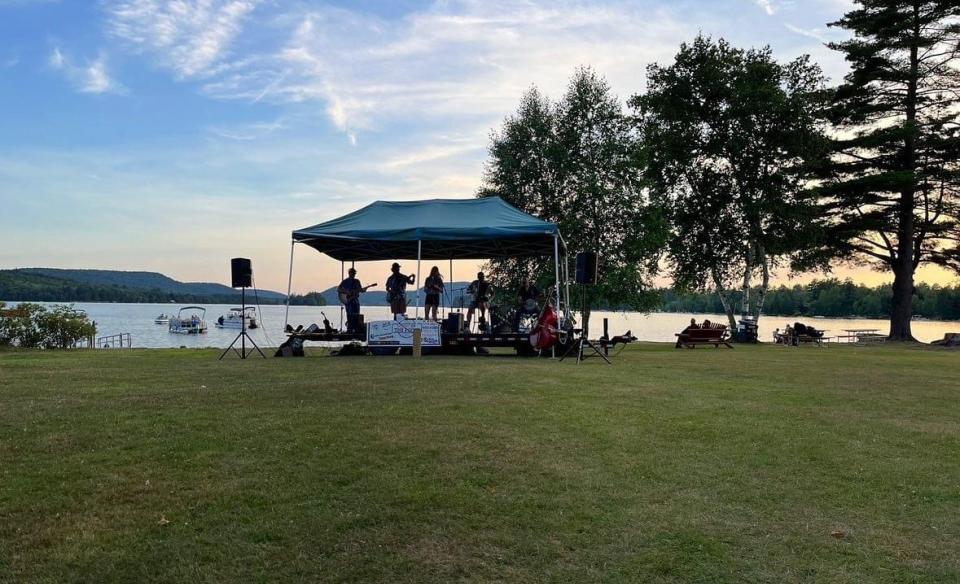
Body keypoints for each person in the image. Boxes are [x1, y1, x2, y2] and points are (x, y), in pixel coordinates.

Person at [337, 267, 363, 333]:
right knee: (349, 315)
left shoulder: (357, 281)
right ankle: (350, 329)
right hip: (348, 301)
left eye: (354, 273)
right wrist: (347, 291)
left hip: (355, 300)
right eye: (352, 273)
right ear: (349, 273)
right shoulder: (345, 281)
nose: (353, 274)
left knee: (356, 315)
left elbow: (360, 289)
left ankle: (356, 329)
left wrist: (363, 290)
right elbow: (338, 289)